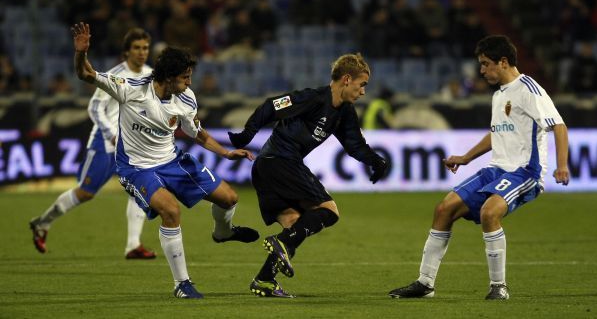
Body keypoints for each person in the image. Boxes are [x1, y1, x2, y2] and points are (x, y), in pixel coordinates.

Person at [69, 22, 259, 299]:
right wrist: (81, 53)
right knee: (171, 212)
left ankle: (223, 233)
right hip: (136, 168)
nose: (189, 82)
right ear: (168, 77)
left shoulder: (186, 98)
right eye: (185, 77)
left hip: (172, 161)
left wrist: (226, 152)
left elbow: (199, 135)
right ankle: (182, 284)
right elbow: (85, 74)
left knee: (229, 198)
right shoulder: (131, 89)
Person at [388, 35, 570, 300]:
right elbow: (497, 133)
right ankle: (425, 283)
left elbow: (559, 125)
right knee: (444, 209)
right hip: (495, 169)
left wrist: (561, 166)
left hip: (524, 171)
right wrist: (466, 157)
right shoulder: (499, 95)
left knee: (489, 212)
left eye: (486, 64)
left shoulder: (529, 88)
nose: (482, 70)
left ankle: (499, 287)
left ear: (503, 62)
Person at [228, 53, 390, 298]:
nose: (363, 92)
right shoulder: (312, 99)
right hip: (279, 162)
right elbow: (272, 106)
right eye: (362, 84)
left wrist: (375, 161)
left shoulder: (344, 112)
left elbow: (355, 144)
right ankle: (281, 245)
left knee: (294, 224)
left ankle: (264, 280)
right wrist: (247, 135)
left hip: (270, 167)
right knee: (329, 210)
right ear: (347, 79)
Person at [30, 28, 157, 259]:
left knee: (140, 188)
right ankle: (43, 222)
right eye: (137, 48)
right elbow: (95, 108)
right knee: (86, 193)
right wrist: (110, 134)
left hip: (133, 143)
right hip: (106, 141)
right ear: (126, 52)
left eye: (145, 48)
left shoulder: (151, 75)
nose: (141, 52)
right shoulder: (115, 75)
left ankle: (133, 245)